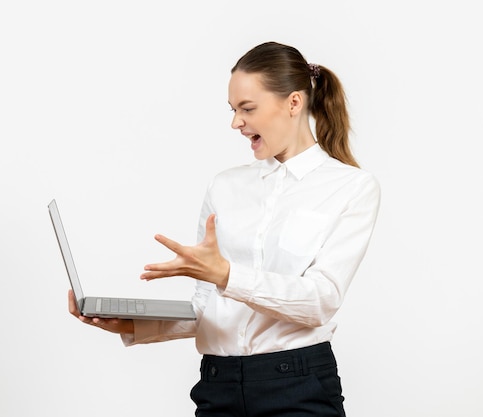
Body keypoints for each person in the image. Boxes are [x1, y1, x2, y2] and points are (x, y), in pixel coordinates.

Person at [68, 41, 380, 417]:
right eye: (234, 110)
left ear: (294, 103)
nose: (236, 122)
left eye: (248, 109)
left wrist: (226, 275)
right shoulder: (224, 186)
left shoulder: (351, 188)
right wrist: (134, 325)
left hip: (298, 386)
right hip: (218, 385)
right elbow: (207, 307)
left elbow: (320, 301)